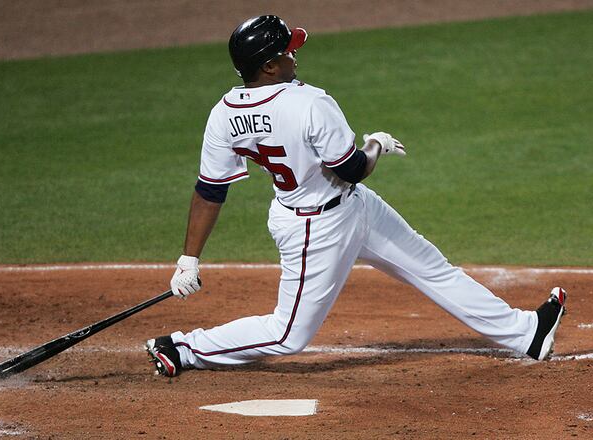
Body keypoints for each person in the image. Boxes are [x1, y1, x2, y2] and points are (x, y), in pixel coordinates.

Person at [145, 15, 566, 377]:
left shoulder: (222, 115)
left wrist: (189, 259)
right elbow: (351, 168)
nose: (296, 55)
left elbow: (209, 190)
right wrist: (377, 144)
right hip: (317, 228)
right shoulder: (310, 102)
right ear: (270, 66)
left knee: (432, 268)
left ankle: (527, 333)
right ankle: (183, 348)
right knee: (288, 334)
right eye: (288, 51)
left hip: (350, 209)